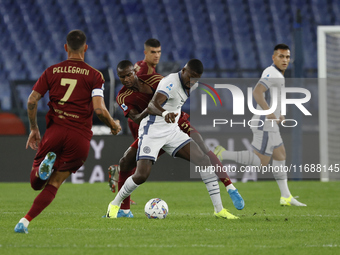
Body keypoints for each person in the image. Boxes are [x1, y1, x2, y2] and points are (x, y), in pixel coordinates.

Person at [14, 30, 122, 234]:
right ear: (86, 48)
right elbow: (99, 109)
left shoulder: (52, 71)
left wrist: (34, 128)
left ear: (65, 47)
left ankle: (41, 172)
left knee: (35, 183)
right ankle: (24, 221)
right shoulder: (95, 76)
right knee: (54, 183)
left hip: (55, 131)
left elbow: (31, 100)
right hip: (79, 138)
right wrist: (113, 126)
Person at [106, 59, 239, 220]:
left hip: (172, 129)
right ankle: (115, 204)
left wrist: (177, 118)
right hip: (152, 131)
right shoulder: (165, 84)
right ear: (183, 71)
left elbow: (172, 104)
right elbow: (149, 108)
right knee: (141, 175)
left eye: (128, 75)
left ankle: (219, 209)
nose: (126, 79)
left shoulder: (173, 82)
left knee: (203, 160)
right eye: (122, 77)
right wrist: (162, 113)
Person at [215, 44, 306, 206]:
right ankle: (223, 154)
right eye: (281, 56)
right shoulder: (272, 73)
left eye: (287, 57)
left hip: (270, 123)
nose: (285, 60)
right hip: (264, 123)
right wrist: (269, 110)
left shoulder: (277, 74)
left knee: (280, 155)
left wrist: (280, 113)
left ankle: (286, 197)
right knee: (261, 162)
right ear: (274, 58)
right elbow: (257, 91)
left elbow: (274, 96)